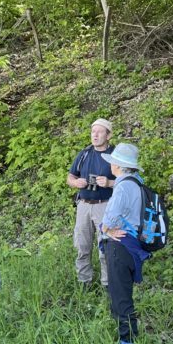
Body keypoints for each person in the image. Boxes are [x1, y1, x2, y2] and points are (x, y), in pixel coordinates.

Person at [98, 142, 149, 344]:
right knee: (122, 296)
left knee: (121, 300)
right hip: (132, 246)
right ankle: (127, 342)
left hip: (119, 247)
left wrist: (105, 229)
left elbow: (109, 220)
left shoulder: (122, 187)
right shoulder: (137, 183)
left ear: (118, 165)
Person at [67, 118, 116, 290]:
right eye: (93, 131)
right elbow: (70, 177)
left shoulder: (115, 156)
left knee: (106, 247)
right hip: (83, 205)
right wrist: (76, 183)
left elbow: (129, 182)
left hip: (106, 205)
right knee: (82, 245)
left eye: (99, 131)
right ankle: (84, 283)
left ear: (108, 135)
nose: (95, 135)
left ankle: (107, 285)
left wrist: (109, 183)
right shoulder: (84, 154)